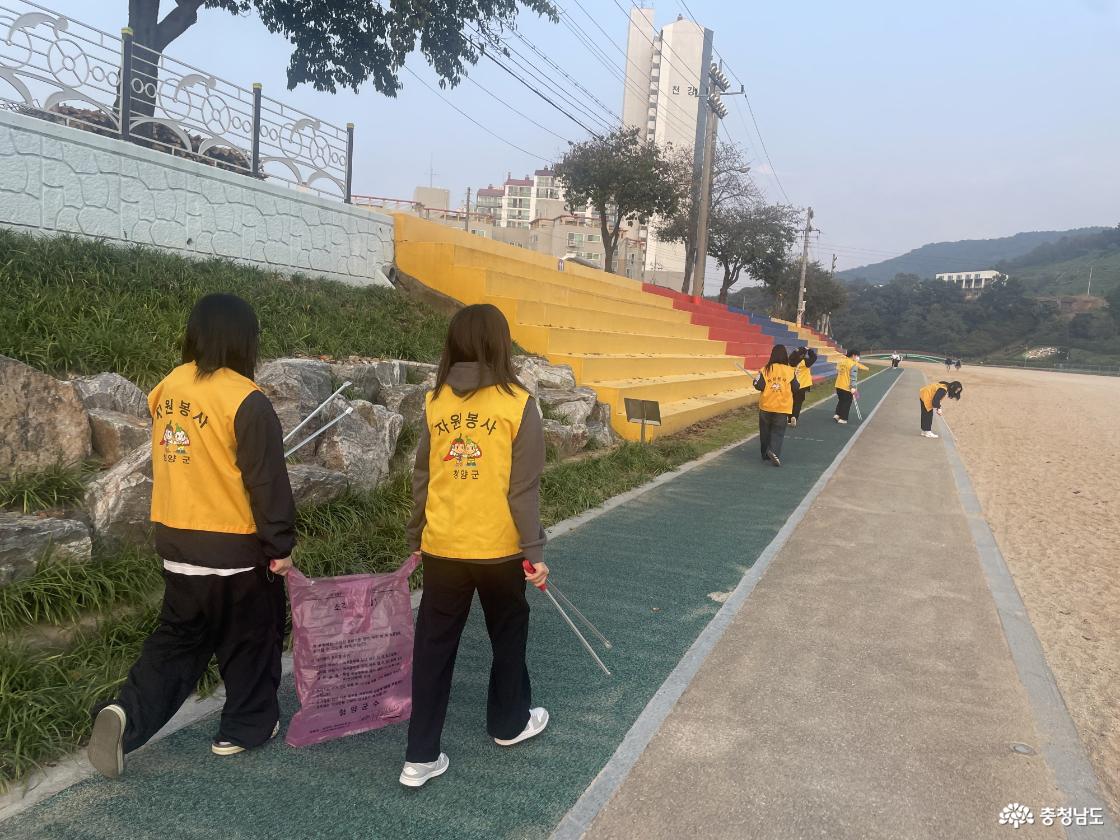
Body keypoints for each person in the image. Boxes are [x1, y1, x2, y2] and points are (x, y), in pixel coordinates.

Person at [87, 294, 295, 779]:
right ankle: (243, 728)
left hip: (177, 544)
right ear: (245, 340)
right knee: (251, 638)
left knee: (177, 640)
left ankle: (126, 715)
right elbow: (267, 483)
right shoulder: (247, 399)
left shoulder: (168, 388)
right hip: (234, 548)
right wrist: (279, 546)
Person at [402, 303, 549, 788]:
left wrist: (415, 536)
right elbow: (523, 490)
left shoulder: (435, 401)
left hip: (443, 547)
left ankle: (420, 756)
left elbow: (424, 477)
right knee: (507, 632)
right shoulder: (518, 403)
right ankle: (509, 724)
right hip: (500, 550)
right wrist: (535, 553)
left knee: (433, 647)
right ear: (501, 344)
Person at [753, 344, 801, 467]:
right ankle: (773, 452)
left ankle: (765, 454)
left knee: (765, 431)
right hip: (782, 407)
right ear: (785, 356)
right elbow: (796, 387)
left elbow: (758, 385)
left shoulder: (765, 369)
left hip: (766, 405)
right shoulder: (790, 371)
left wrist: (755, 380)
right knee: (778, 431)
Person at [833, 349, 868, 425]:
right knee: (847, 402)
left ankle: (837, 414)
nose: (858, 357)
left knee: (841, 400)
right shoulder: (853, 364)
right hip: (847, 387)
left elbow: (838, 370)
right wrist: (853, 387)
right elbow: (853, 377)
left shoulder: (842, 361)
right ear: (853, 355)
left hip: (838, 385)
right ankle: (843, 418)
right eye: (857, 356)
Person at [787, 346, 818, 427]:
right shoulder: (805, 362)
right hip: (801, 385)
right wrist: (809, 350)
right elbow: (814, 357)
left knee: (791, 402)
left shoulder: (790, 361)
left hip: (791, 384)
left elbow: (793, 355)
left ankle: (789, 418)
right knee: (798, 403)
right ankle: (794, 417)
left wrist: (797, 351)